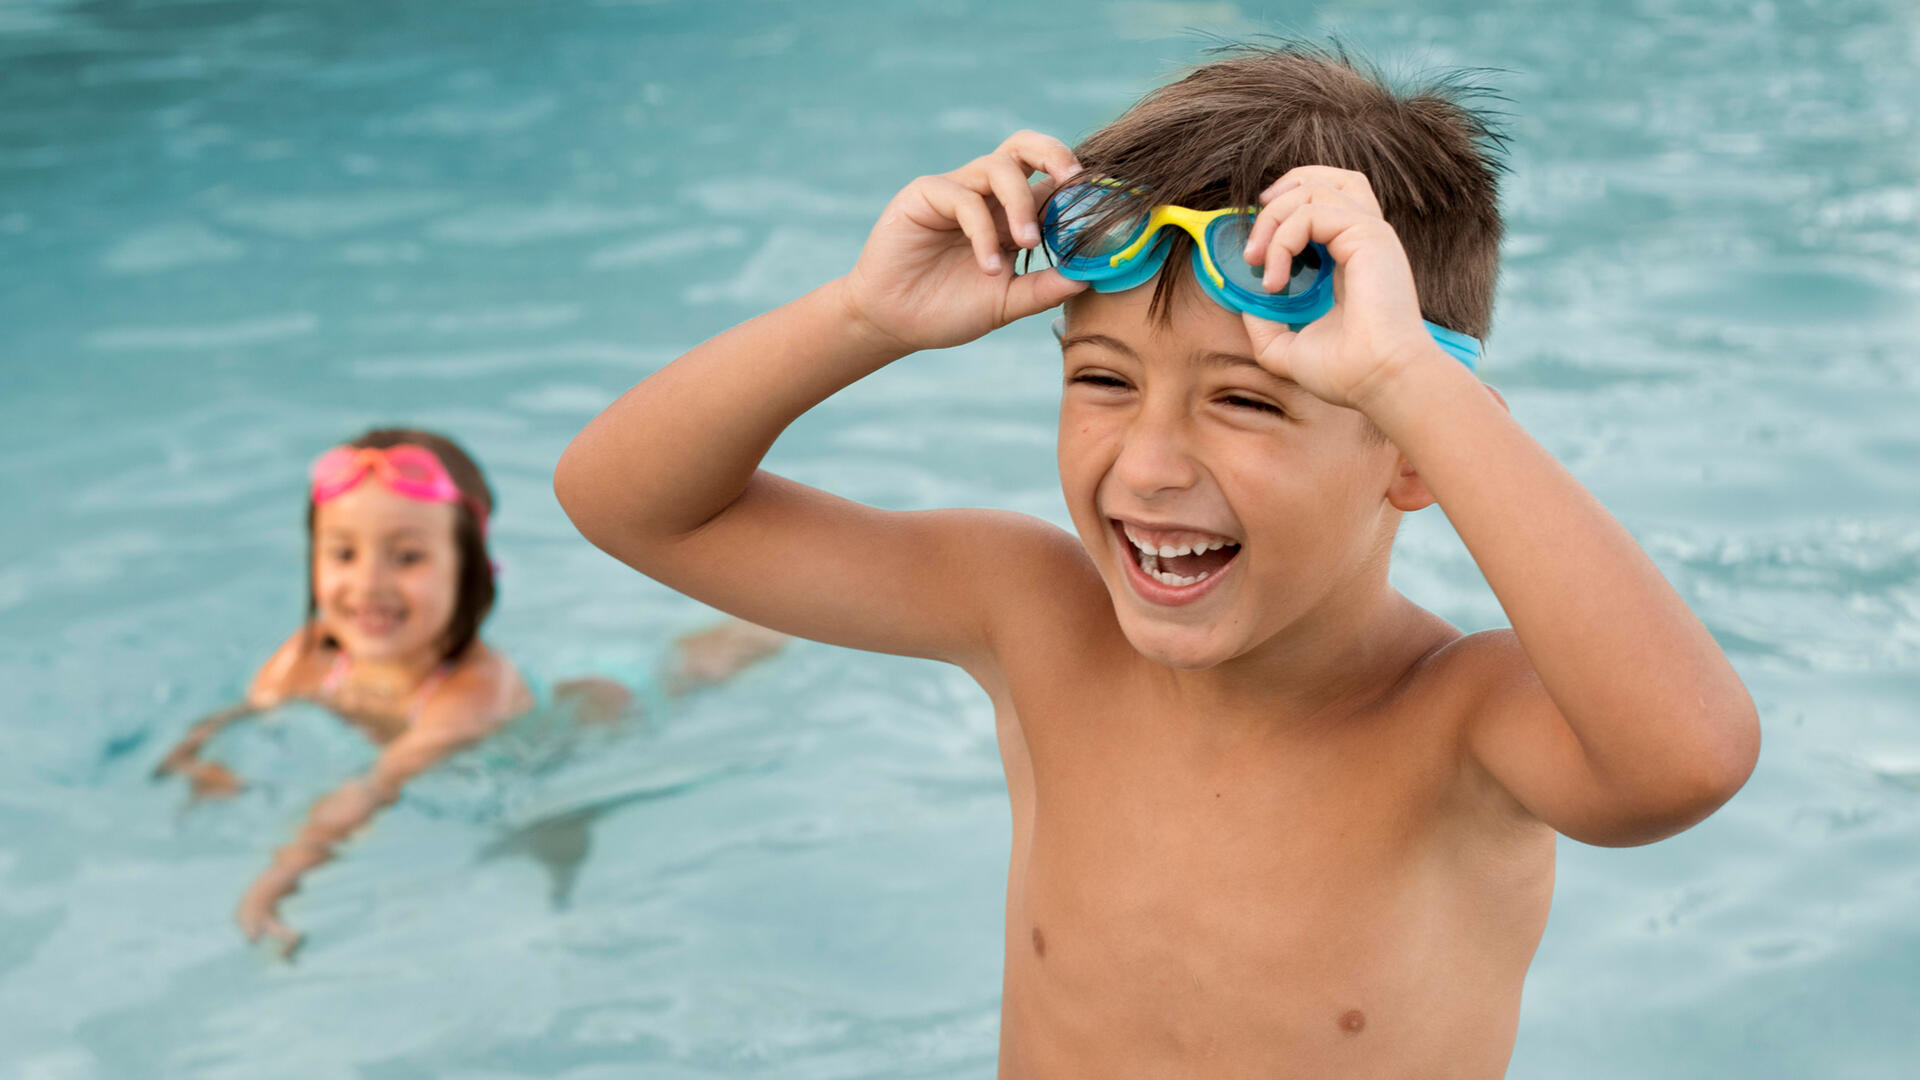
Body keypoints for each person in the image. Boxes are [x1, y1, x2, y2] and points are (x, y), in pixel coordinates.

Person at [553, 44, 1760, 1077]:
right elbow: (632, 505)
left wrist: (1408, 378)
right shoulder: (1032, 619)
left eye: (1245, 401)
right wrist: (861, 318)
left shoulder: (1460, 725)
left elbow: (1687, 762)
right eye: (1103, 382)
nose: (1148, 467)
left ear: (1412, 455)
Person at [154, 427, 784, 958]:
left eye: (406, 558)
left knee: (697, 665)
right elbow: (243, 712)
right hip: (540, 688)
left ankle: (780, 613)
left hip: (601, 707)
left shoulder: (469, 696)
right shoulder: (312, 652)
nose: (368, 584)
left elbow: (375, 788)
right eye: (343, 553)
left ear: (470, 571)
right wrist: (199, 762)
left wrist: (276, 880)